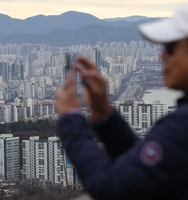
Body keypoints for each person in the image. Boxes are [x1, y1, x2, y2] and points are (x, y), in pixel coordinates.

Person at [55, 3, 188, 200]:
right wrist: (104, 114)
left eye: (170, 47)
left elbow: (110, 189)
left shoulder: (182, 126)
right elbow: (142, 172)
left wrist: (70, 118)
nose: (162, 56)